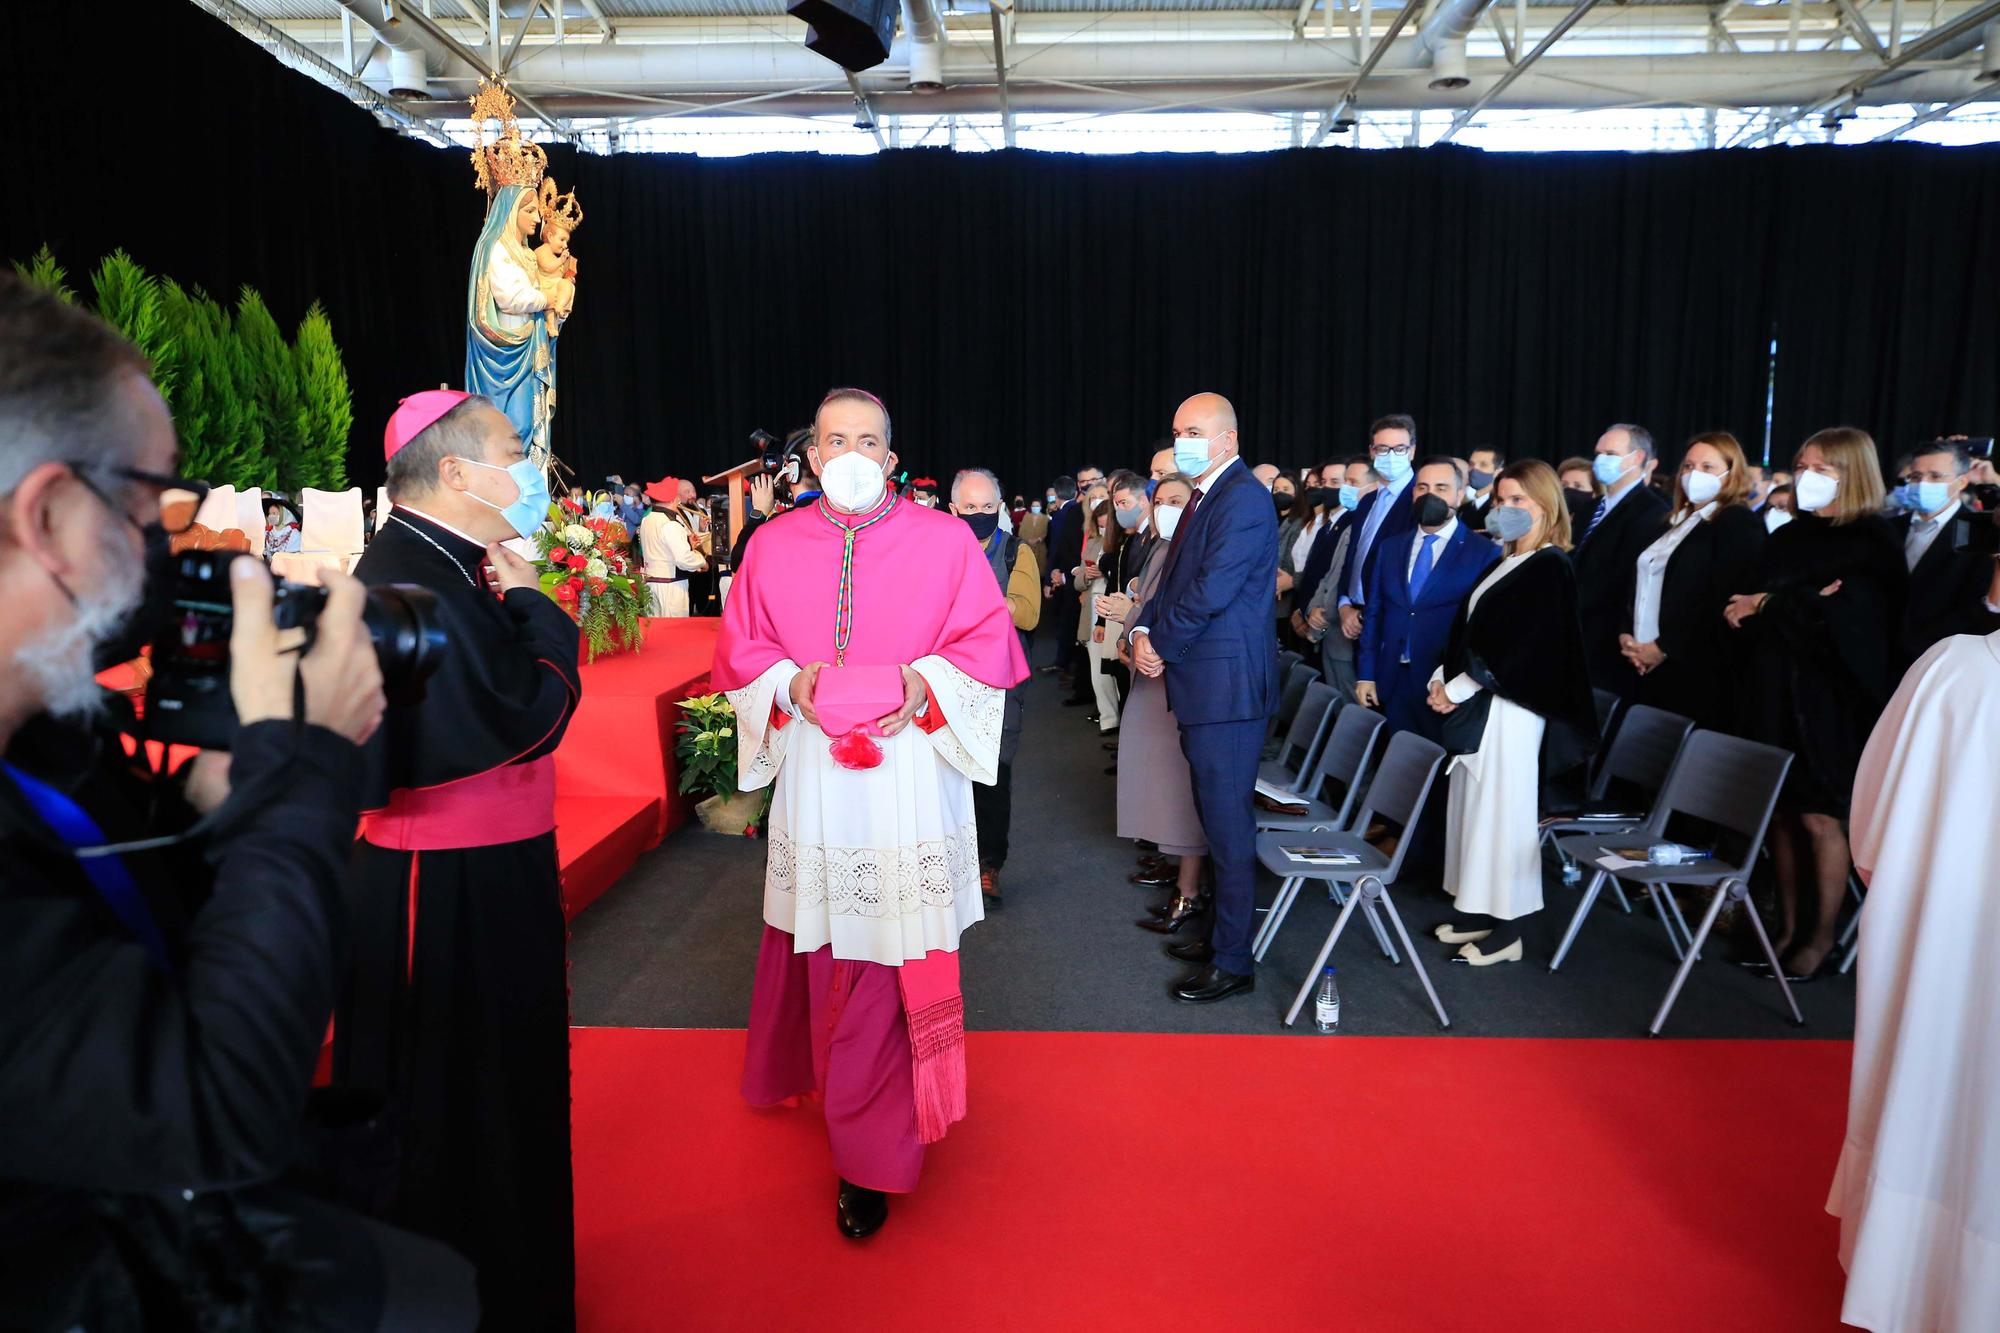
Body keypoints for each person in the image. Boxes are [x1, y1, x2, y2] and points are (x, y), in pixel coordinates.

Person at [0, 276, 475, 1330]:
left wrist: (221, 797)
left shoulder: (47, 729)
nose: (166, 549)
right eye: (148, 502)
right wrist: (301, 766)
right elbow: (217, 1110)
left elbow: (108, 925)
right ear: (46, 516)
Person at [714, 388, 1027, 1240]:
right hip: (819, 778)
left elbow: (990, 645)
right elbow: (743, 650)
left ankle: (872, 1154)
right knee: (830, 952)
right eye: (833, 438)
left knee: (893, 955)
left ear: (892, 457)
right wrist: (790, 684)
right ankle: (849, 1114)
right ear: (811, 455)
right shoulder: (771, 545)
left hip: (910, 778)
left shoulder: (943, 540)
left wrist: (925, 682)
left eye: (868, 440)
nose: (850, 452)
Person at [336, 391, 582, 1332]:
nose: (527, 469)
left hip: (488, 873)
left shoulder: (445, 558)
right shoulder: (413, 576)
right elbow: (530, 708)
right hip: (439, 887)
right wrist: (532, 598)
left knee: (501, 1093)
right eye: (515, 451)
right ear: (452, 471)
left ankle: (511, 1287)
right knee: (453, 1106)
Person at [1828, 627, 2000, 1333]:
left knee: (1934, 1100)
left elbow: (1870, 828)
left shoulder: (1955, 668)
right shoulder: (1957, 666)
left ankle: (1906, 1279)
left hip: (1944, 944)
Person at [1724, 427, 1904, 982]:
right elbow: (1740, 607)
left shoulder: (1872, 541)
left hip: (1830, 702)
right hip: (1770, 690)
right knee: (1778, 813)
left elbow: (1850, 628)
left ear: (1852, 474)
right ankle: (1786, 923)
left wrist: (1775, 605)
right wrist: (1792, 606)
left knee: (1820, 817)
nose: (1806, 477)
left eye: (1822, 469)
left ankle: (1822, 935)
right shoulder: (1784, 536)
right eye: (1802, 466)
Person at [1129, 393, 1280, 1004]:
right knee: (1213, 820)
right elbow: (1176, 580)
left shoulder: (1244, 498)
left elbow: (1212, 590)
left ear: (1227, 440)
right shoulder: (1204, 494)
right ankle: (1221, 935)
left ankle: (1234, 960)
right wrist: (1142, 629)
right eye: (1176, 429)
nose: (1181, 439)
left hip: (1228, 692)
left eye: (1192, 431)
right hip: (1206, 686)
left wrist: (1160, 643)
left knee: (1228, 826)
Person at [1428, 460, 1597, 966]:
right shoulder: (1504, 560)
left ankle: (1509, 930)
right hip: (1480, 703)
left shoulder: (1550, 565)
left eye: (1519, 501)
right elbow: (1469, 633)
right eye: (1501, 500)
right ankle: (1478, 910)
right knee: (1474, 811)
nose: (1506, 510)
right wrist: (1441, 679)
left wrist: (1456, 689)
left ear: (1546, 507)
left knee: (1503, 816)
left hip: (1513, 711)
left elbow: (1525, 650)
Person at [1616, 432, 1765, 731]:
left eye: (1707, 467)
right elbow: (1641, 583)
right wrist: (1627, 634)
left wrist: (1664, 647)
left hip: (1693, 670)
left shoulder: (1735, 521)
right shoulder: (1673, 521)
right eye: (1688, 466)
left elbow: (1719, 600)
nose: (1693, 474)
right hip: (1642, 662)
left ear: (1731, 473)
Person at [1117, 475, 1210, 928]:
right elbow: (1146, 606)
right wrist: (1131, 631)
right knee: (1159, 777)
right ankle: (1172, 860)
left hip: (1180, 677)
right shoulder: (1160, 548)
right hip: (1153, 674)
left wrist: (1142, 636)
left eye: (1179, 500)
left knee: (1180, 783)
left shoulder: (1197, 552)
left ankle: (1189, 888)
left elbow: (1181, 613)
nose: (1169, 508)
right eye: (1162, 501)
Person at [1356, 457, 1499, 742]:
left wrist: (1457, 685)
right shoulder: (1391, 547)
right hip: (1391, 680)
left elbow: (1482, 631)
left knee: (1435, 776)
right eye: (1422, 487)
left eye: (1441, 487)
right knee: (1393, 765)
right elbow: (1375, 613)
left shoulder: (1484, 554)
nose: (1429, 494)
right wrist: (1366, 673)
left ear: (1460, 495)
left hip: (1444, 687)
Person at [950, 467, 1041, 910]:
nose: (979, 514)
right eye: (970, 508)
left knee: (992, 773)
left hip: (1000, 681)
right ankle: (951, 862)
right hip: (946, 678)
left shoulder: (1016, 552)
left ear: (1000, 509)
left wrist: (979, 595)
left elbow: (1027, 615)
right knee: (947, 770)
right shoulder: (937, 550)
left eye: (988, 507)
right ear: (953, 509)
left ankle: (989, 865)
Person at [1572, 423, 1670, 697]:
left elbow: (1630, 581)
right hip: (1574, 634)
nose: (1600, 460)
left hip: (1608, 643)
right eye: (1598, 453)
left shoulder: (1652, 511)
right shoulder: (1592, 507)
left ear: (1637, 458)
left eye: (1610, 453)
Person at [1892, 438, 2000, 667]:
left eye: (1935, 476)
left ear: (1961, 482)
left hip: (1941, 659)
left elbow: (1975, 605)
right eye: (1916, 477)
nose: (1923, 484)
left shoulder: (1981, 533)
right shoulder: (1889, 528)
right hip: (1878, 658)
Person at [1332, 416, 1422, 660]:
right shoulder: (1366, 502)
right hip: (1350, 619)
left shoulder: (1418, 503)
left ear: (1411, 451)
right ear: (1372, 452)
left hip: (1389, 627)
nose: (1391, 455)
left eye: (1400, 448)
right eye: (1383, 448)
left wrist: (1366, 614)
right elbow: (1351, 560)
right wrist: (1344, 605)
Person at [1304, 457, 1380, 698]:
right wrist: (1310, 609)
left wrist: (1323, 613)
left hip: (1344, 633)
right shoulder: (1348, 526)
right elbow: (1329, 575)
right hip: (1330, 636)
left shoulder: (1366, 526)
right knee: (1334, 705)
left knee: (1351, 714)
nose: (1345, 488)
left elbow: (1345, 580)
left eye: (1352, 482)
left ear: (1373, 487)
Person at [638, 475, 708, 616]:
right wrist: (702, 560)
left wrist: (688, 544)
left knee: (655, 631)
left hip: (652, 586)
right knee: (673, 632)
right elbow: (684, 560)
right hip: (671, 588)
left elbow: (660, 549)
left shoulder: (647, 520)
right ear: (674, 499)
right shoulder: (670, 524)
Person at [1043, 475, 1083, 673]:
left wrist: (1050, 577)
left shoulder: (1061, 515)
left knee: (1065, 621)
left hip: (1065, 574)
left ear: (1056, 495)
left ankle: (1063, 662)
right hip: (1075, 573)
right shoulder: (1078, 510)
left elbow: (1056, 548)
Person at [1458, 445, 1504, 528]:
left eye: (1483, 465)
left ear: (1498, 472)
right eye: (1471, 464)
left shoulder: (1501, 508)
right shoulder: (1462, 510)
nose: (1475, 469)